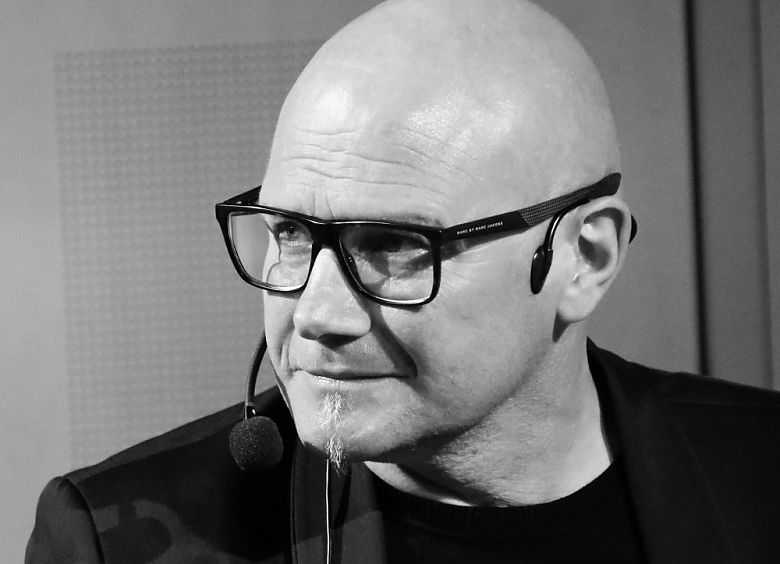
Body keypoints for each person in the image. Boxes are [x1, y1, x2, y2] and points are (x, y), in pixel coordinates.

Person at [26, 0, 780, 562]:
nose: (315, 313)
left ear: (584, 258)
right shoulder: (118, 539)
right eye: (291, 233)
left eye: (393, 244)